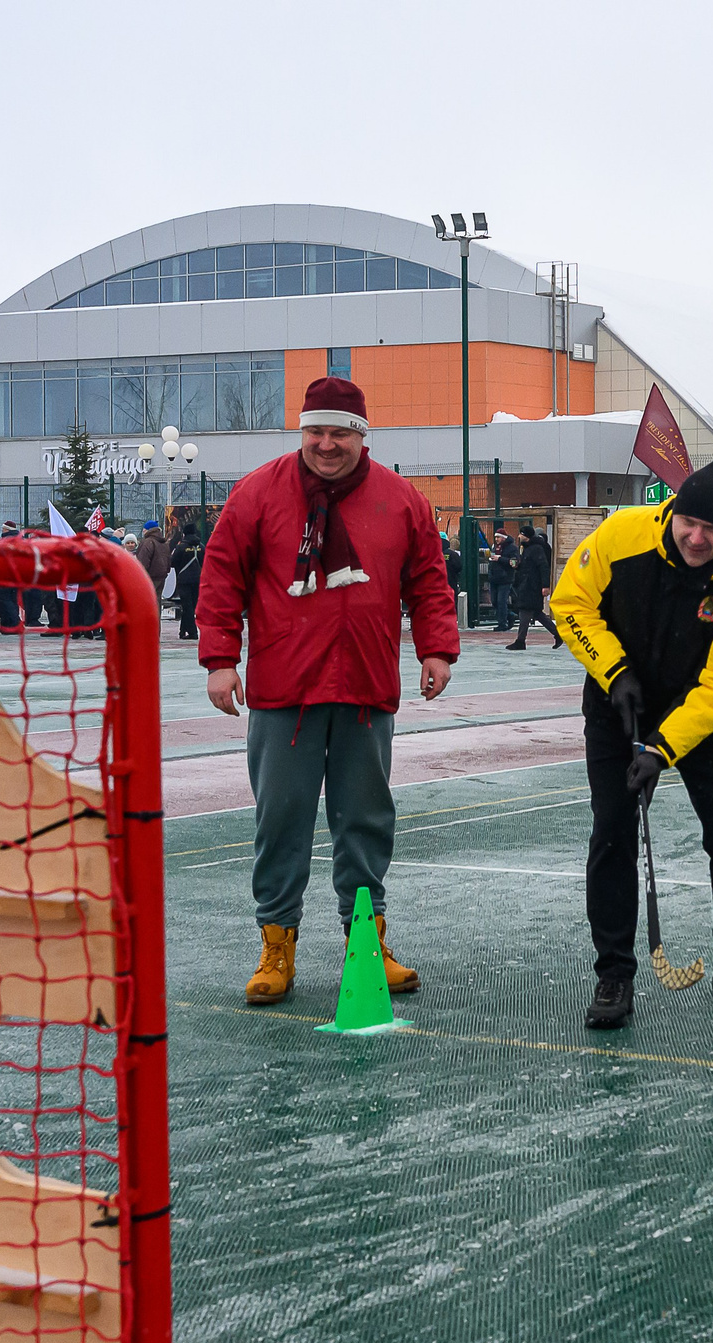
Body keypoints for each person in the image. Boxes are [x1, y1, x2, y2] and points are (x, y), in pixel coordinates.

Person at [198, 376, 458, 1004]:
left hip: (365, 687)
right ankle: (276, 946)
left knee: (365, 821)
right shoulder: (257, 493)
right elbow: (222, 577)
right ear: (302, 433)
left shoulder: (401, 501)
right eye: (315, 430)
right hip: (284, 690)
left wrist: (437, 648)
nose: (326, 443)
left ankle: (366, 943)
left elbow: (427, 579)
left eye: (340, 431)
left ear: (362, 435)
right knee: (280, 821)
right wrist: (218, 659)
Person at [552, 458, 713, 1029]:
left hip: (703, 717)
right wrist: (615, 671)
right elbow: (570, 604)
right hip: (619, 705)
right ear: (672, 512)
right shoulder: (620, 535)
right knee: (612, 834)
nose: (696, 537)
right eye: (688, 522)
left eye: (712, 530)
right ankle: (614, 975)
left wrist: (662, 748)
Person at [508, 522, 554, 649]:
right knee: (537, 613)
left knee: (525, 610)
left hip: (532, 586)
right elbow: (527, 566)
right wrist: (518, 566)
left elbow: (544, 567)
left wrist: (545, 585)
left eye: (521, 534)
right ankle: (558, 634)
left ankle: (520, 641)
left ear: (526, 536)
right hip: (527, 584)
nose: (518, 536)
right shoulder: (527, 548)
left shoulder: (537, 549)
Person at [487, 525, 517, 630]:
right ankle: (510, 615)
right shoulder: (494, 547)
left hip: (505, 578)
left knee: (501, 601)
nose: (496, 539)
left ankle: (502, 623)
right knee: (494, 601)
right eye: (495, 537)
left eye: (498, 537)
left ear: (504, 537)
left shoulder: (512, 548)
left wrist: (500, 559)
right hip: (494, 577)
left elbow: (514, 562)